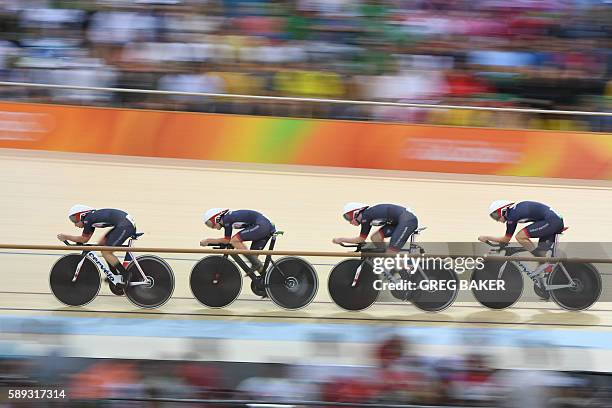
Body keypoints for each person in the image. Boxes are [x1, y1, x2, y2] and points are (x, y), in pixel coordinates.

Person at [57, 204, 136, 294]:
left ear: (81, 215)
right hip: (124, 223)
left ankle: (126, 274)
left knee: (106, 252)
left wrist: (65, 236)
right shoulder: (91, 219)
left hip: (125, 225)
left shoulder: (88, 219)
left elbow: (84, 239)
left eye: (75, 220)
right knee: (101, 244)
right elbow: (85, 239)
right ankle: (114, 275)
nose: (75, 224)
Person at [333, 203, 419, 281]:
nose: (349, 221)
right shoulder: (367, 215)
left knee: (391, 252)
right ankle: (392, 260)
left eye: (348, 217)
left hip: (407, 220)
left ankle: (408, 272)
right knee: (375, 237)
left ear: (356, 213)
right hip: (400, 220)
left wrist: (341, 239)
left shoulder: (365, 216)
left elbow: (361, 239)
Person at [478, 200, 564, 257]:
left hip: (552, 221)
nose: (496, 219)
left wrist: (486, 238)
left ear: (502, 210)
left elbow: (506, 239)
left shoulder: (512, 216)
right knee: (542, 256)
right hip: (553, 221)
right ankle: (544, 280)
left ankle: (539, 257)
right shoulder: (514, 212)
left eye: (495, 215)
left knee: (520, 236)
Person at [200, 208, 276, 273]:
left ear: (216, 217)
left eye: (210, 224)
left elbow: (227, 240)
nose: (212, 227)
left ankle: (257, 264)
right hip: (264, 226)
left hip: (262, 225)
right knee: (254, 259)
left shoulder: (227, 219)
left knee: (234, 241)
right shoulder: (228, 218)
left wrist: (208, 241)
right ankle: (266, 280)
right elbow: (226, 240)